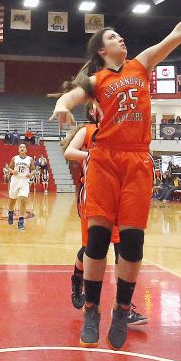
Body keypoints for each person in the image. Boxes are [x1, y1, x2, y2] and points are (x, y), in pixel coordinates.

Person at [50, 0, 181, 349]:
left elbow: (178, 34)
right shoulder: (95, 80)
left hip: (138, 160)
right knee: (97, 240)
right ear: (101, 50)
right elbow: (69, 98)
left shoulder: (141, 64)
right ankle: (92, 310)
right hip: (105, 160)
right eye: (113, 37)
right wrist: (62, 107)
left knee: (132, 242)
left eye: (120, 35)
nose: (121, 39)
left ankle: (122, 308)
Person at [61, 101, 147, 325]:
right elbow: (69, 152)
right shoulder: (87, 130)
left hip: (119, 194)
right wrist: (93, 154)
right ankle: (78, 278)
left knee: (122, 249)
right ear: (93, 111)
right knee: (91, 247)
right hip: (93, 194)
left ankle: (123, 307)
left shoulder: (120, 130)